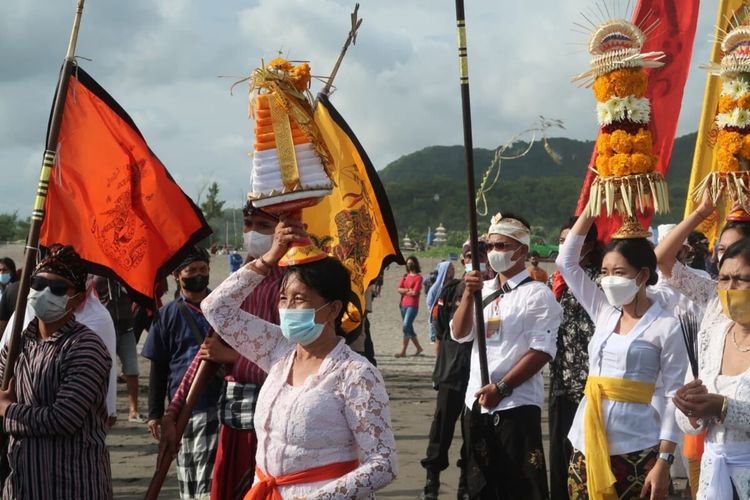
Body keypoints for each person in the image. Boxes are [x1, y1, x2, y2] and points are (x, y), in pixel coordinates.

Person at [200, 216, 397, 496]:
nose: (288, 308)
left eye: (300, 299)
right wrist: (270, 257)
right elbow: (216, 308)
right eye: (284, 298)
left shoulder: (355, 374)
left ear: (332, 309)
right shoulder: (278, 349)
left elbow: (383, 463)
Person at [556, 213, 688, 500]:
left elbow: (672, 397)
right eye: (604, 272)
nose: (608, 280)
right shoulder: (604, 311)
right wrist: (591, 211)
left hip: (636, 445)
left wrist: (664, 462)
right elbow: (566, 262)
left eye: (619, 272)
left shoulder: (666, 326)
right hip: (585, 439)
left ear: (642, 275)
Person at [159, 203, 282, 500]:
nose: (252, 232)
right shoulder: (240, 281)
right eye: (248, 224)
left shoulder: (291, 286)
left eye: (263, 226)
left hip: (270, 422)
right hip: (232, 419)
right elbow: (207, 352)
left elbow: (296, 364)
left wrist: (233, 358)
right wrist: (173, 411)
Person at [451, 212, 561, 499]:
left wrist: (502, 387)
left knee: (520, 487)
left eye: (502, 246)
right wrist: (467, 294)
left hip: (515, 405)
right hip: (476, 403)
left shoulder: (537, 294)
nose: (493, 253)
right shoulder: (483, 289)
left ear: (521, 250)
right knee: (480, 486)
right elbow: (460, 334)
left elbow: (542, 351)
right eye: (489, 246)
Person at [0, 245, 112, 499]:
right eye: (38, 284)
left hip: (72, 483)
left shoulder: (86, 347)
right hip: (22, 482)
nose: (44, 292)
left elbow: (64, 418)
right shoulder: (19, 343)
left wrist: (8, 409)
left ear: (77, 297)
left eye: (58, 288)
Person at [655, 199, 750, 496]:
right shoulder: (713, 316)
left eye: (741, 279)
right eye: (721, 252)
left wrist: (723, 408)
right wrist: (690, 408)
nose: (730, 286)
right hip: (712, 471)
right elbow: (662, 259)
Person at [142, 246, 222, 500]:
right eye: (191, 270)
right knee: (191, 478)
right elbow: (159, 366)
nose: (198, 274)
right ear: (178, 275)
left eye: (203, 269)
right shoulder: (167, 315)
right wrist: (155, 414)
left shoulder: (223, 309)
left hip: (221, 405)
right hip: (185, 407)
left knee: (217, 482)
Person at [420, 240, 489, 500]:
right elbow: (439, 330)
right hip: (450, 370)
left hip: (478, 374)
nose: (475, 259)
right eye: (470, 255)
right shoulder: (450, 290)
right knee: (441, 428)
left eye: (480, 254)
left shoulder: (493, 290)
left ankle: (464, 485)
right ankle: (432, 482)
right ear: (462, 260)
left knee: (472, 431)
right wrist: (440, 368)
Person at [547, 217, 601, 500]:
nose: (564, 247)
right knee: (558, 455)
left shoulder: (600, 280)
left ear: (588, 245)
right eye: (562, 240)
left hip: (591, 386)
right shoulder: (552, 283)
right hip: (560, 382)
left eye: (572, 242)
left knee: (586, 458)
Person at [95, 276, 144, 423]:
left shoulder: (125, 273)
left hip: (126, 327)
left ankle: (133, 411)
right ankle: (103, 410)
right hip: (104, 327)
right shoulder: (96, 274)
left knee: (132, 369)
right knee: (103, 371)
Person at [396, 255, 424, 357]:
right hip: (403, 304)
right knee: (408, 327)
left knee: (406, 325)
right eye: (408, 263)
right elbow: (399, 289)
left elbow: (415, 292)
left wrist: (405, 290)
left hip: (412, 305)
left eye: (411, 263)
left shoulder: (419, 277)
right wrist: (408, 290)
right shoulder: (405, 276)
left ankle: (403, 351)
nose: (409, 265)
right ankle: (418, 348)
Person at [426, 261, 454, 346]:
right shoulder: (436, 286)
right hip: (438, 315)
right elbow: (429, 301)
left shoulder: (453, 283)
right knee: (439, 339)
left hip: (450, 315)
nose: (453, 270)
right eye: (451, 268)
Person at [0, 257, 19, 334]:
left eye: (5, 270)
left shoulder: (16, 290)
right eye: (0, 270)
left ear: (11, 272)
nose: (1, 273)